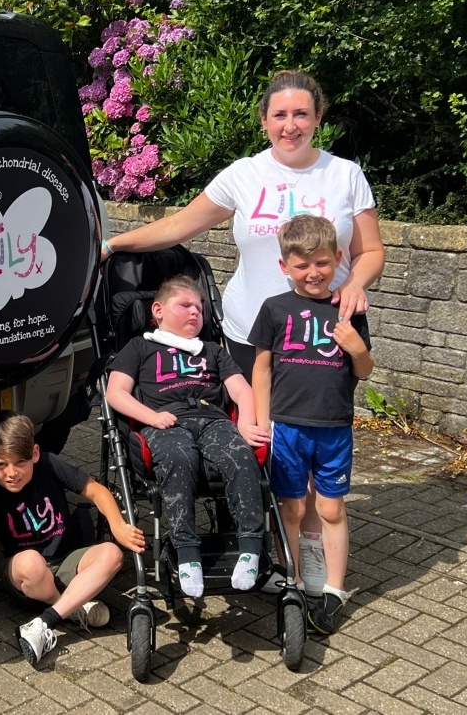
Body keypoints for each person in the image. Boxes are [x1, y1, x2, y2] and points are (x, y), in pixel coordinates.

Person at [100, 69, 384, 596]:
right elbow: (179, 225)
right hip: (247, 333)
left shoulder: (344, 175)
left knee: (306, 437)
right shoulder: (243, 175)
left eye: (302, 113)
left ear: (318, 118)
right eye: (280, 114)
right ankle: (253, 547)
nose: (291, 125)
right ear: (264, 121)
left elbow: (371, 251)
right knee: (256, 442)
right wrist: (115, 245)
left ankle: (311, 568)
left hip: (319, 335)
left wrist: (358, 284)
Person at [105, 276, 268, 597]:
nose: (196, 312)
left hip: (212, 418)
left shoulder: (211, 350)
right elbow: (115, 392)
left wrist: (246, 422)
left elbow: (241, 390)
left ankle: (250, 547)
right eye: (185, 305)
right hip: (164, 421)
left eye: (200, 307)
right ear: (158, 310)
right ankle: (187, 551)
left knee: (240, 454)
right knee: (178, 457)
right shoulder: (140, 346)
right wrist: (151, 416)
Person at [249, 214, 374, 634]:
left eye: (322, 263)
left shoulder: (349, 308)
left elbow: (365, 370)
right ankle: (295, 579)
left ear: (338, 259)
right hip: (287, 426)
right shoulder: (274, 309)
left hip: (334, 426)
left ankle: (335, 590)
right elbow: (262, 368)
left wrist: (357, 349)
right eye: (302, 265)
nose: (313, 273)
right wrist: (261, 418)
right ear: (285, 266)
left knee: (331, 507)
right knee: (291, 506)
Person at [0, 411, 145, 667]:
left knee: (112, 553)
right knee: (31, 561)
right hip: (26, 578)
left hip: (65, 562)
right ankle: (72, 607)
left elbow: (96, 490)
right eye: (1, 464)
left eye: (20, 462)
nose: (11, 473)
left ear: (35, 454)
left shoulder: (49, 464)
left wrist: (118, 525)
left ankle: (46, 621)